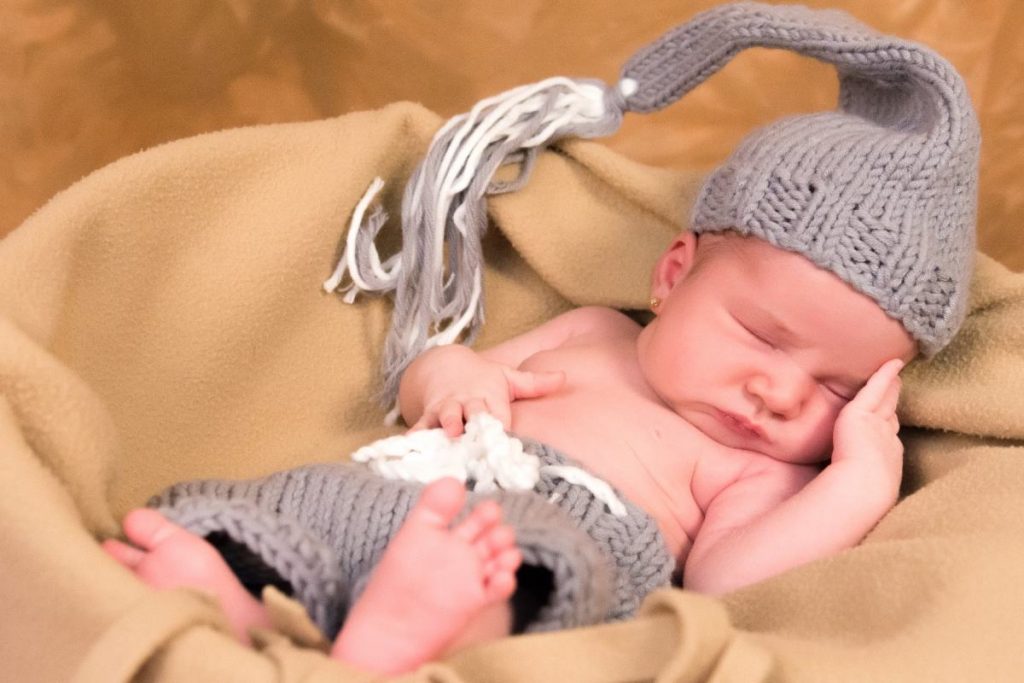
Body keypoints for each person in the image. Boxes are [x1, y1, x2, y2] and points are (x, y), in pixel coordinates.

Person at [102, 1, 979, 676]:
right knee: (305, 505)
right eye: (759, 333)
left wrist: (863, 474)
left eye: (837, 389)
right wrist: (449, 383)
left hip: (552, 538)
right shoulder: (593, 332)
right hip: (421, 482)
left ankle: (410, 638)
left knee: (526, 571)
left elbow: (725, 578)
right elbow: (434, 368)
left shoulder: (756, 467)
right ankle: (251, 605)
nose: (781, 393)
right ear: (672, 277)